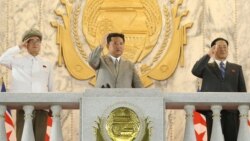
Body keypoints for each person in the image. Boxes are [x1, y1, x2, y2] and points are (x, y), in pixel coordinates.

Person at [0, 28, 54, 141]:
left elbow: (50, 87)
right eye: (31, 40)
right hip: (22, 108)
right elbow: (2, 59)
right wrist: (18, 47)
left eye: (38, 41)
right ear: (26, 44)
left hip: (42, 108)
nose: (35, 43)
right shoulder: (17, 61)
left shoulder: (47, 63)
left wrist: (51, 106)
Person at [192, 37, 246, 141]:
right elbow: (195, 71)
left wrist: (242, 115)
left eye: (225, 47)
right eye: (219, 47)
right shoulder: (206, 67)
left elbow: (242, 91)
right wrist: (208, 55)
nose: (223, 49)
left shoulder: (237, 68)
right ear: (213, 49)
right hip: (212, 112)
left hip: (232, 113)